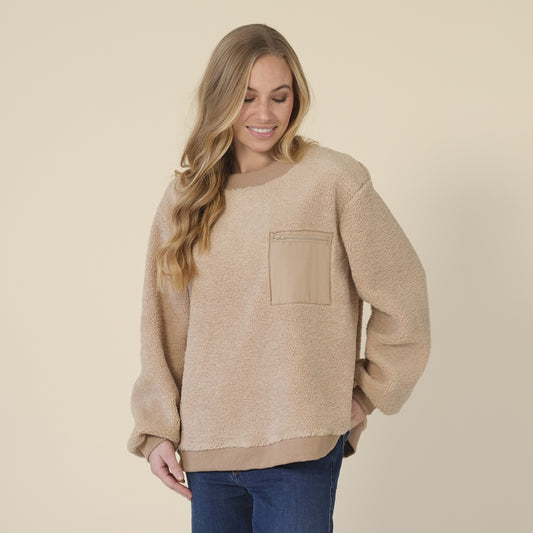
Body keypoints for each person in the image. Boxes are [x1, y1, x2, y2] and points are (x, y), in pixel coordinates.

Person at [127, 23, 431, 533]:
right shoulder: (185, 199)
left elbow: (403, 293)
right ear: (220, 99)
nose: (265, 114)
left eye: (279, 96)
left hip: (300, 450)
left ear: (296, 98)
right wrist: (157, 429)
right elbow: (163, 327)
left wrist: (367, 393)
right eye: (247, 97)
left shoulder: (333, 181)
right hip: (208, 452)